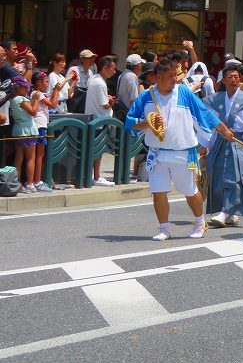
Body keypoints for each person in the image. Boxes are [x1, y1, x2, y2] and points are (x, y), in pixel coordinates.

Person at [126, 59, 234, 240]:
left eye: (176, 75)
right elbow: (130, 121)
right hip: (157, 153)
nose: (174, 79)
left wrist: (223, 129)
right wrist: (147, 123)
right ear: (157, 77)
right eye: (170, 76)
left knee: (190, 191)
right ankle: (163, 229)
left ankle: (200, 222)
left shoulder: (183, 92)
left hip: (183, 152)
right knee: (158, 192)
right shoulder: (146, 96)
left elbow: (204, 112)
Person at [202, 65, 243, 228]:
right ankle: (230, 214)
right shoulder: (215, 100)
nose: (233, 80)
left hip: (239, 142)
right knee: (218, 177)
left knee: (235, 177)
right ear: (223, 80)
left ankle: (225, 212)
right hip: (219, 142)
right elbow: (209, 124)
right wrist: (205, 145)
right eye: (230, 77)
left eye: (236, 77)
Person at [84, 55, 118, 187]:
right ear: (105, 68)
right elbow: (105, 105)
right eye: (113, 69)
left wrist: (107, 99)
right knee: (98, 151)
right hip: (99, 121)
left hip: (95, 119)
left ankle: (94, 176)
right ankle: (96, 177)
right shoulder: (100, 83)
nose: (114, 72)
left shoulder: (96, 79)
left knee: (96, 150)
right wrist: (111, 101)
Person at [30, 70, 60, 192]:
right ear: (39, 82)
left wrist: (56, 90)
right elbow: (53, 104)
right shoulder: (37, 93)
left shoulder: (38, 93)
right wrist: (57, 91)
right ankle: (37, 181)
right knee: (39, 155)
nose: (47, 84)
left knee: (38, 155)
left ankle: (35, 181)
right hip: (40, 126)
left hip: (39, 126)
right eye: (46, 81)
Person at [10, 76, 39, 193]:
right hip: (28, 130)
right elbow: (33, 112)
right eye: (25, 87)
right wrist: (36, 99)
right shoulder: (21, 99)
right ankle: (30, 184)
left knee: (19, 157)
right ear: (19, 88)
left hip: (18, 130)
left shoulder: (13, 99)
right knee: (31, 158)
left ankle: (17, 183)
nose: (27, 89)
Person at [116, 54, 145, 121]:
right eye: (140, 64)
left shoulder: (122, 75)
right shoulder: (132, 76)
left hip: (121, 112)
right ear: (137, 66)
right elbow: (134, 99)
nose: (141, 67)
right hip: (128, 113)